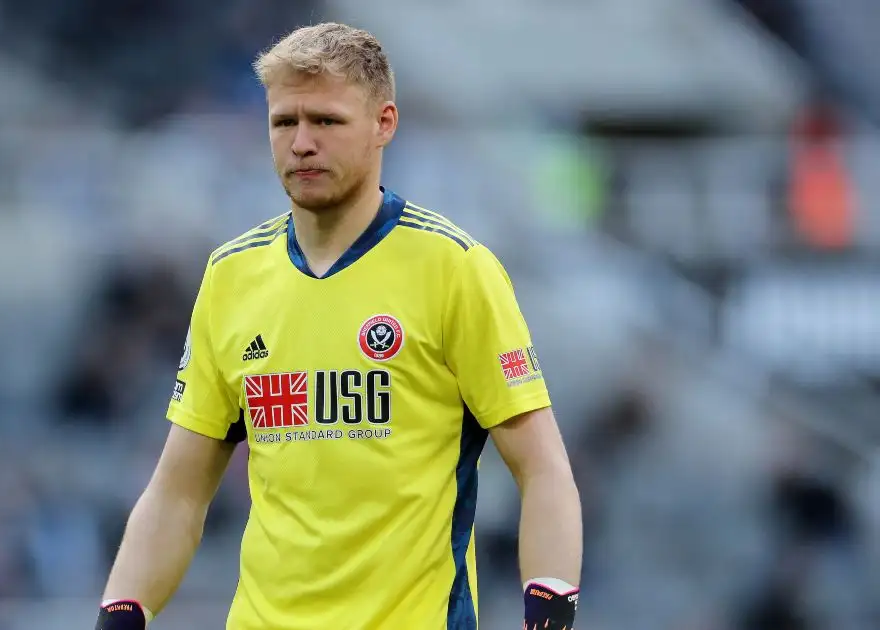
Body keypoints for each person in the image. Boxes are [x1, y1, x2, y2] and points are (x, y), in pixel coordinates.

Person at [96, 22, 582, 630]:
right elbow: (178, 492)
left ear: (384, 124)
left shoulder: (454, 269)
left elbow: (543, 470)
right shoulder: (230, 276)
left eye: (326, 121)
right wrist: (121, 613)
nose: (301, 143)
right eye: (284, 122)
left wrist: (550, 607)